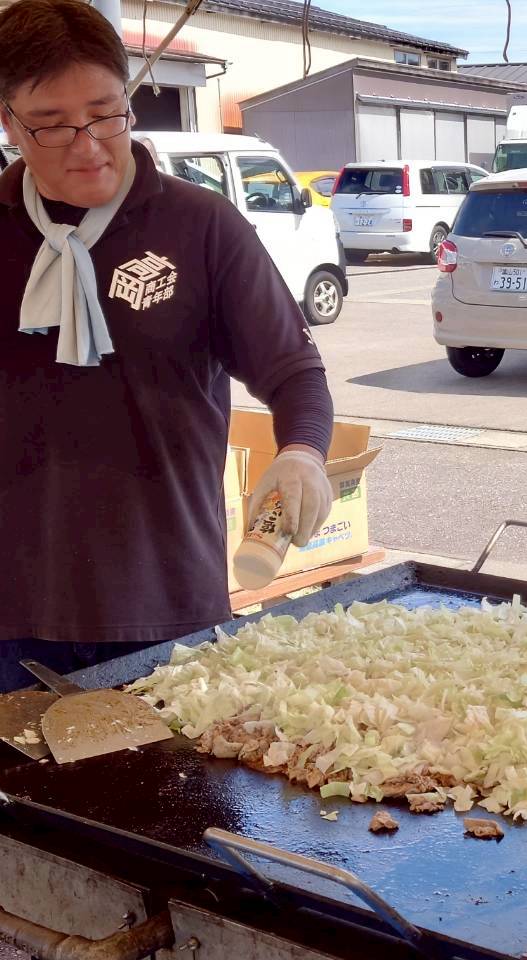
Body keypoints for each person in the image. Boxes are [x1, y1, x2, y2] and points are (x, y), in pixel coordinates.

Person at [0, 0, 335, 692]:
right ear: (9, 122)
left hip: (165, 598)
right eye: (52, 125)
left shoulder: (201, 226)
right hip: (10, 606)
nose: (88, 145)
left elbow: (295, 371)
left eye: (106, 114)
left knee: (178, 766)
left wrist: (302, 452)